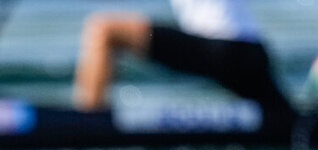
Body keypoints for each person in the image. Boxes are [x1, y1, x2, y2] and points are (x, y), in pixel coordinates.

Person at [72, 0, 294, 120]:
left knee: (104, 30)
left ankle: (87, 122)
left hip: (227, 49)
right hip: (242, 53)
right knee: (284, 120)